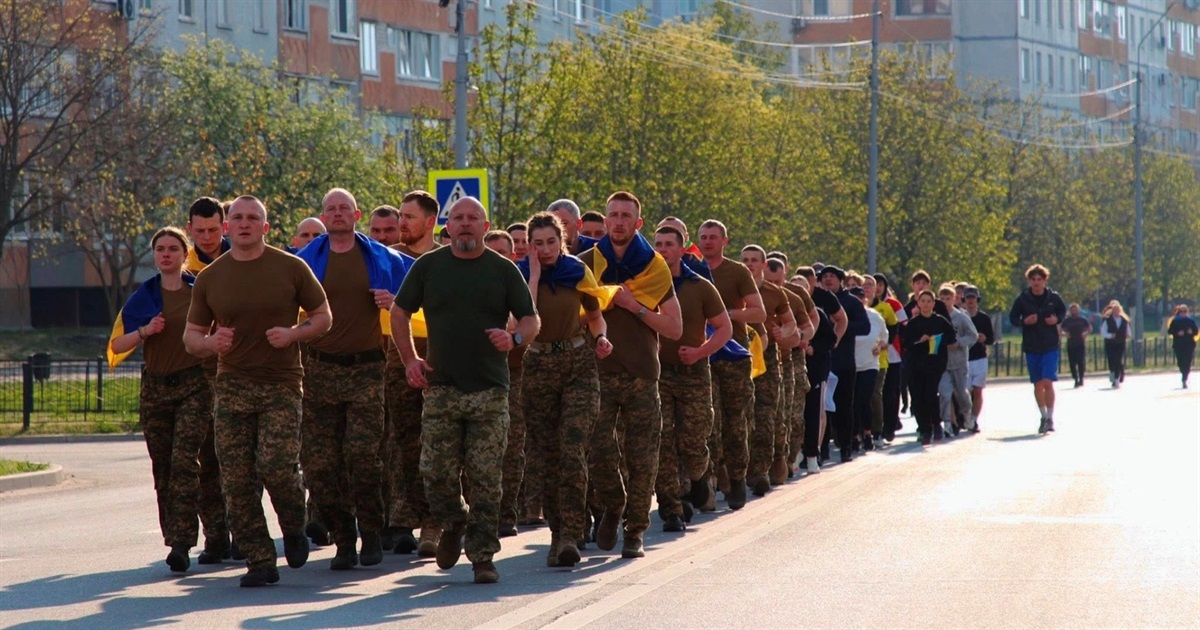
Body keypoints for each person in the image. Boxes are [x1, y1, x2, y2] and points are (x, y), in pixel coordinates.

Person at [183, 195, 332, 587]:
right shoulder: (211, 277)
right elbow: (191, 337)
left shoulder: (291, 267)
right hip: (232, 384)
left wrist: (293, 334)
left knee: (277, 465)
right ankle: (260, 559)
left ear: (265, 228)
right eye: (238, 218)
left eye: (254, 218)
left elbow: (323, 316)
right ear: (227, 227)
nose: (245, 224)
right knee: (236, 476)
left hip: (281, 383)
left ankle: (294, 525)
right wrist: (211, 343)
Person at [391, 196, 539, 584]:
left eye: (474, 218)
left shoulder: (503, 270)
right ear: (447, 227)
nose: (467, 224)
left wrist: (516, 337)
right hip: (440, 387)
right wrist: (410, 359)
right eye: (459, 218)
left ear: (486, 227)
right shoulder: (429, 267)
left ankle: (483, 556)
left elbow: (530, 317)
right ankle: (453, 521)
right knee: (434, 472)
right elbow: (399, 312)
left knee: (486, 475)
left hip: (489, 389)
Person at [295, 188, 409, 571]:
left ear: (357, 215)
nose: (338, 214)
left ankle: (371, 531)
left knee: (362, 457)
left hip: (366, 370)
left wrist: (394, 301)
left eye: (345, 208)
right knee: (321, 463)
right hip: (320, 370)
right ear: (323, 217)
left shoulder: (383, 258)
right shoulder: (304, 262)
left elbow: (419, 298)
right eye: (331, 209)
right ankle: (343, 538)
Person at [581, 191, 681, 559]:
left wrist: (632, 306)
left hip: (641, 374)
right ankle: (613, 502)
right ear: (604, 221)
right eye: (613, 215)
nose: (619, 221)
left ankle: (635, 531)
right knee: (597, 451)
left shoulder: (655, 268)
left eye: (626, 216)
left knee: (643, 457)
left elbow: (673, 328)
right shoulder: (586, 263)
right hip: (597, 373)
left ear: (638, 223)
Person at [108, 228, 213, 573]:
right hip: (156, 389)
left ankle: (183, 543)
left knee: (185, 461)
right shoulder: (145, 296)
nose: (166, 254)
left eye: (173, 249)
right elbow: (117, 346)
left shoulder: (200, 290)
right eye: (160, 249)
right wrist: (145, 332)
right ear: (154, 256)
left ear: (185, 254)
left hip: (195, 386)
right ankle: (174, 536)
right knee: (163, 466)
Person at [518, 212, 612, 565]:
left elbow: (595, 314)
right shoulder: (521, 273)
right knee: (546, 455)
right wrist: (535, 276)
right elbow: (521, 320)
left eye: (551, 242)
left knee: (572, 449)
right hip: (539, 364)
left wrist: (601, 337)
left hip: (577, 363)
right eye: (537, 244)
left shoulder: (577, 271)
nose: (545, 249)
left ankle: (573, 533)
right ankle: (557, 534)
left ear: (563, 240)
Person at [652, 225, 731, 530]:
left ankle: (698, 476)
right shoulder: (645, 284)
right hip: (659, 373)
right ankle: (672, 507)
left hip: (694, 373)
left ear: (682, 248)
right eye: (657, 244)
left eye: (668, 244)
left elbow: (723, 328)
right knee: (663, 441)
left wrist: (701, 352)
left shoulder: (699, 285)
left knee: (694, 441)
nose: (662, 249)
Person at [388, 190, 443, 556]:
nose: (401, 223)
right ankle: (403, 518)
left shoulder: (446, 260)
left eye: (409, 216)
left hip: (440, 361)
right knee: (402, 443)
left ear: (429, 222)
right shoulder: (388, 259)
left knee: (438, 444)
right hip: (397, 362)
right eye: (400, 216)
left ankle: (435, 522)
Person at [696, 219, 765, 509]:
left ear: (724, 241)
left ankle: (737, 477)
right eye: (703, 237)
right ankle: (712, 480)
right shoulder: (690, 269)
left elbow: (758, 312)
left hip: (733, 353)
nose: (708, 242)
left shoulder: (736, 272)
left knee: (736, 421)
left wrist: (726, 315)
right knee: (707, 422)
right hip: (702, 355)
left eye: (713, 237)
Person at [740, 245, 796, 496]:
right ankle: (734, 470)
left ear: (764, 264)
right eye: (745, 260)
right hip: (737, 357)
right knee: (738, 417)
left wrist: (782, 333)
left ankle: (761, 470)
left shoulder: (774, 292)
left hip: (768, 360)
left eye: (754, 260)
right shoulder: (732, 288)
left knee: (766, 416)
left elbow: (792, 324)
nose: (749, 264)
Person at [1008, 264, 1066, 434]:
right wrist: (1024, 322)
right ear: (1029, 281)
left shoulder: (1054, 297)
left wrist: (1056, 320)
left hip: (1050, 345)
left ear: (1045, 280)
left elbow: (1063, 312)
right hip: (1032, 346)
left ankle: (1050, 417)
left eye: (1039, 279)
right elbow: (1013, 318)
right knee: (1038, 384)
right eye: (1033, 279)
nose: (1036, 282)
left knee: (1048, 381)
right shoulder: (1023, 299)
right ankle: (1042, 415)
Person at [903, 290, 957, 446]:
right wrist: (920, 340)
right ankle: (925, 429)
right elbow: (907, 344)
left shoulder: (941, 321)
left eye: (929, 301)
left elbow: (951, 339)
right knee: (918, 398)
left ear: (934, 304)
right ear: (918, 304)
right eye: (923, 301)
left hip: (935, 364)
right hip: (917, 365)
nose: (925, 304)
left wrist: (937, 339)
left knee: (930, 394)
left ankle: (936, 424)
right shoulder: (913, 323)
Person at [936, 285, 977, 437]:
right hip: (943, 364)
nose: (945, 301)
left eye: (948, 298)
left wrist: (958, 343)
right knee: (944, 393)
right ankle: (947, 423)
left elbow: (973, 335)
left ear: (955, 299)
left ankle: (967, 414)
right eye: (942, 299)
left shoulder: (960, 317)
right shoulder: (936, 318)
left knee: (961, 393)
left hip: (959, 362)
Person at [853, 284, 889, 450]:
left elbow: (885, 335)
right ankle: (855, 434)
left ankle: (869, 432)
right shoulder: (844, 316)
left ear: (865, 300)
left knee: (864, 398)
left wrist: (880, 345)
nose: (858, 301)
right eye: (854, 299)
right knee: (852, 401)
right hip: (851, 364)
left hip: (870, 364)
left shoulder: (874, 316)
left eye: (860, 298)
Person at [872, 274, 907, 442]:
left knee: (891, 393)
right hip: (873, 356)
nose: (877, 288)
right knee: (877, 394)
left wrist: (891, 341)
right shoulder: (866, 305)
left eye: (880, 284)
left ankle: (891, 425)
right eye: (874, 284)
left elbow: (903, 326)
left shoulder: (893, 304)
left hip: (893, 355)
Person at [962, 286, 993, 431]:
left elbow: (991, 339)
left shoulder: (984, 318)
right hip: (964, 358)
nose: (970, 301)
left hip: (980, 358)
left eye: (973, 298)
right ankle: (966, 416)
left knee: (978, 390)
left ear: (977, 300)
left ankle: (974, 420)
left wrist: (984, 338)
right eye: (968, 298)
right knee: (966, 391)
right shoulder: (961, 317)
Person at [184, 197, 231, 274]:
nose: (207, 237)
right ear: (190, 228)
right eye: (200, 231)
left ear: (224, 227)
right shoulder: (183, 267)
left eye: (212, 230)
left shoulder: (242, 260)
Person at [1100, 300, 1130, 389]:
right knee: (1111, 361)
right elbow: (1103, 332)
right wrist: (1110, 336)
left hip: (1120, 343)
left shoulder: (1124, 321)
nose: (1116, 312)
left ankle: (1116, 379)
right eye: (1114, 311)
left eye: (1118, 310)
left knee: (1118, 360)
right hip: (1110, 344)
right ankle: (1113, 375)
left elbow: (1128, 331)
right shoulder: (1107, 321)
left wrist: (1127, 335)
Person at [1060, 303, 1091, 388]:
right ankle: (1075, 379)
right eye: (1072, 310)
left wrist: (1085, 334)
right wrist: (1065, 334)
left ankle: (1081, 378)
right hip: (1071, 344)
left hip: (1080, 343)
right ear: (1070, 311)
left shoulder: (1082, 319)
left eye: (1076, 309)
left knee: (1081, 362)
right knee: (1072, 363)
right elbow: (1060, 330)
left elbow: (1089, 328)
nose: (1074, 311)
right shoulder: (1067, 320)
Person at [1167, 305, 1198, 388]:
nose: (1183, 313)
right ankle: (1183, 372)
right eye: (1182, 311)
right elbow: (1170, 331)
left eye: (1185, 311)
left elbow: (1196, 331)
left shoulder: (1191, 321)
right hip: (1178, 344)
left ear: (1187, 312)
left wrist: (1191, 332)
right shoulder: (1175, 321)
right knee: (1180, 362)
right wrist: (1177, 333)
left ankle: (1184, 379)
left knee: (1187, 361)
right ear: (1179, 312)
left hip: (1189, 344)